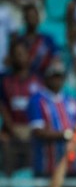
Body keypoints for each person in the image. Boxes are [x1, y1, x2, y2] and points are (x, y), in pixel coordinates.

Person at [27, 60, 76, 178]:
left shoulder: (70, 99)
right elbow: (38, 131)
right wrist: (66, 135)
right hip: (46, 164)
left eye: (60, 77)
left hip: (71, 165)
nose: (57, 80)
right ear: (46, 78)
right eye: (53, 77)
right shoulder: (37, 100)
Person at [0, 37, 40, 175]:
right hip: (11, 132)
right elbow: (3, 107)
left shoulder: (38, 80)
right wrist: (13, 130)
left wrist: (31, 130)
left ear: (29, 56)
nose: (19, 57)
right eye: (16, 54)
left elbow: (41, 108)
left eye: (22, 54)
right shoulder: (4, 80)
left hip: (32, 132)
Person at [15, 3, 58, 78]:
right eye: (30, 16)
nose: (33, 19)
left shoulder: (47, 40)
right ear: (25, 19)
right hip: (24, 81)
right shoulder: (19, 41)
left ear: (38, 18)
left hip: (45, 79)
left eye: (35, 16)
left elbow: (56, 58)